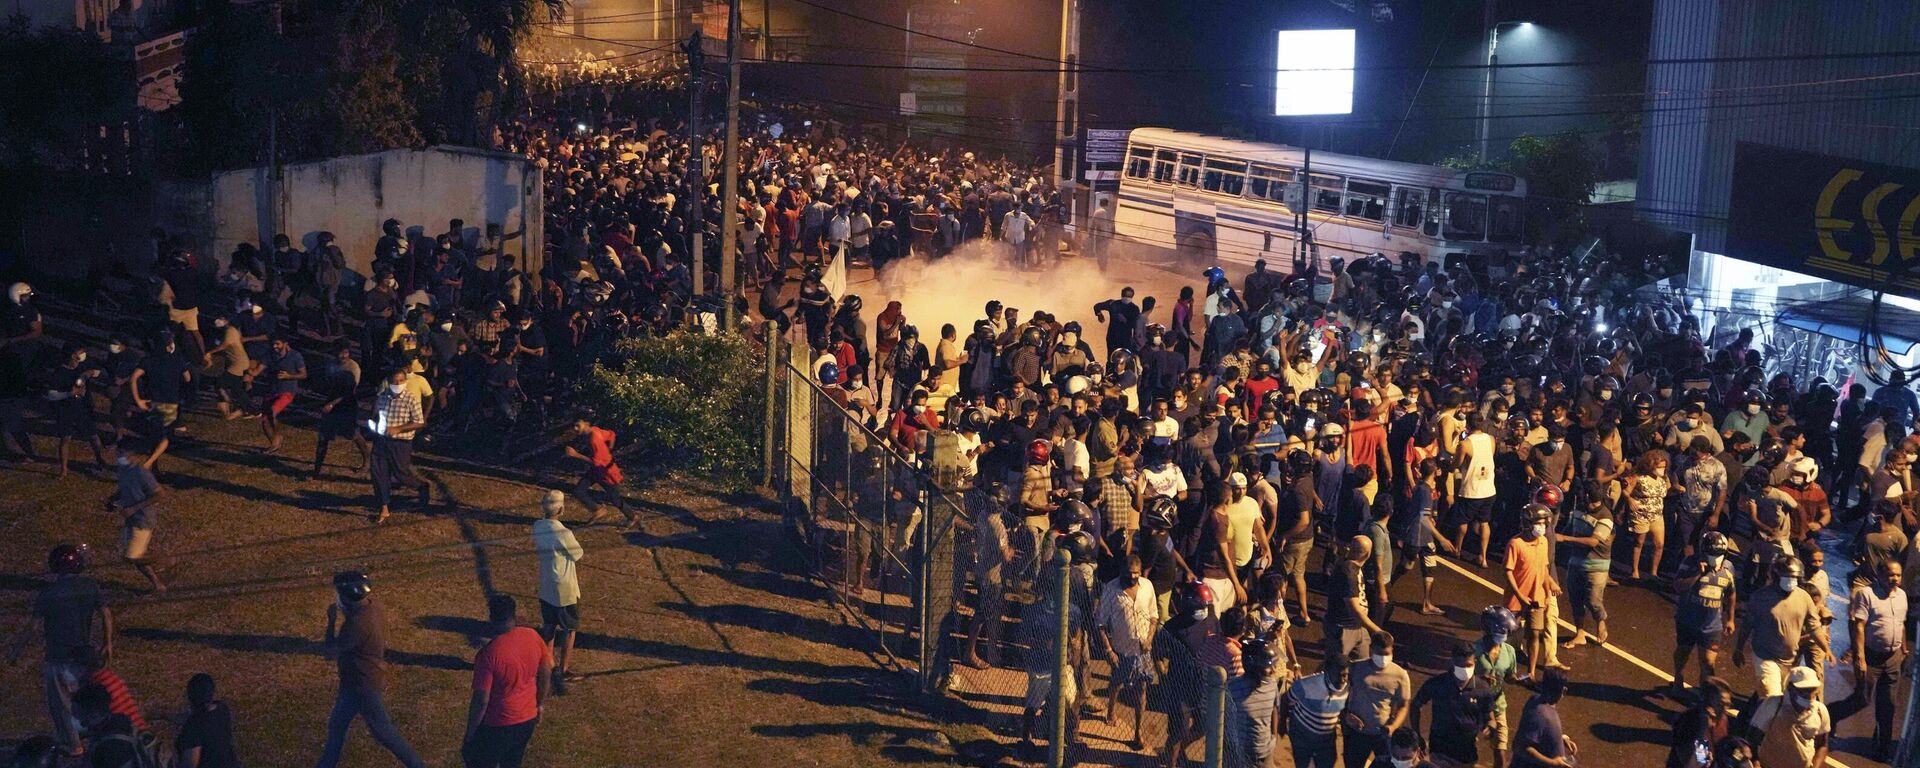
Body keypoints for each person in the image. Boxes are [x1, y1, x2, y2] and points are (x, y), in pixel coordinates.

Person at [7, 545, 112, 758]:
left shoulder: (49, 593)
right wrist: (108, 642)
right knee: (85, 699)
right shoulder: (90, 585)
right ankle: (91, 737)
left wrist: (16, 651)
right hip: (84, 656)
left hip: (58, 657)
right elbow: (106, 614)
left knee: (62, 704)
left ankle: (74, 746)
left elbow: (33, 627)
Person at [316, 571, 425, 768]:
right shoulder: (374, 608)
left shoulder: (356, 625)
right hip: (357, 681)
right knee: (337, 726)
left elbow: (330, 652)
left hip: (361, 684)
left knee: (384, 733)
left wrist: (331, 620)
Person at [463, 594, 552, 768]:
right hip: (527, 719)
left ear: (491, 618)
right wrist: (539, 704)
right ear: (514, 615)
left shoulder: (488, 655)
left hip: (498, 723)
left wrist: (471, 732)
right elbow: (546, 672)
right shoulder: (532, 636)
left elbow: (481, 700)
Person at [1833, 560, 1907, 757]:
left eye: (1898, 575)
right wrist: (1859, 657)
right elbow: (1858, 626)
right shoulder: (1867, 594)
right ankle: (1831, 715)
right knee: (1862, 699)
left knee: (1888, 704)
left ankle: (1882, 748)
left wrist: (1904, 650)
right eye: (1891, 575)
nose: (1896, 579)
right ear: (1880, 575)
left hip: (1893, 658)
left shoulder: (1902, 596)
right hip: (1871, 657)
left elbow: (1901, 624)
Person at [1732, 556, 1822, 699]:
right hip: (1765, 656)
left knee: (1775, 695)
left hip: (1787, 659)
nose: (1790, 581)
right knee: (1772, 697)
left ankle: (1747, 717)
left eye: (1793, 577)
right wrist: (1738, 648)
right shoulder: (1761, 597)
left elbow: (1814, 626)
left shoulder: (1804, 597)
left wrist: (1826, 649)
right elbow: (1747, 625)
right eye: (1786, 577)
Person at [1092, 553, 1156, 749]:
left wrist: (1150, 638)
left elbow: (1154, 617)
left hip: (1142, 651)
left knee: (1142, 689)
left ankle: (1138, 732)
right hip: (1121, 651)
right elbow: (1100, 624)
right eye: (1129, 574)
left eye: (1136, 574)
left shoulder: (1148, 587)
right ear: (1122, 572)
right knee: (1117, 683)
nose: (1133, 578)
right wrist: (1109, 650)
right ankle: (1111, 708)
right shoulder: (1111, 590)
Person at [532, 490, 585, 696]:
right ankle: (563, 669)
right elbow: (577, 554)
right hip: (565, 587)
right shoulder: (563, 533)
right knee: (569, 629)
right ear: (561, 509)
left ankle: (548, 663)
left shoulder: (538, 526)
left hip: (546, 583)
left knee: (549, 625)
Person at [1410, 642, 1497, 768]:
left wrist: (1490, 727)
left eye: (1468, 665)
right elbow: (1415, 705)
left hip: (1467, 753)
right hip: (1440, 751)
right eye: (1460, 666)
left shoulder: (1482, 688)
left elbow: (1490, 718)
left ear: (1475, 662)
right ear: (1453, 662)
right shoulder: (1438, 684)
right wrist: (1416, 735)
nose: (1465, 670)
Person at [1504, 504, 1561, 680]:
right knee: (1511, 639)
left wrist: (1550, 584)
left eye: (1544, 523)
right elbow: (1508, 572)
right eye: (1539, 523)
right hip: (1516, 600)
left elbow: (1544, 568)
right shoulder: (1515, 543)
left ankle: (1531, 673)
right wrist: (1520, 596)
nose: (1542, 527)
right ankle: (1508, 670)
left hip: (1537, 598)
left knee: (1535, 634)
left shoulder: (1543, 542)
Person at [368, 369, 431, 524]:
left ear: (405, 382)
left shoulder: (410, 399)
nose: (397, 384)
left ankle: (421, 487)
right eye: (394, 382)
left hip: (401, 443)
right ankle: (384, 507)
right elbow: (377, 414)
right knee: (379, 473)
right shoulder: (383, 397)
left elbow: (419, 421)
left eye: (400, 381)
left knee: (401, 473)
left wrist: (398, 429)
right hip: (382, 441)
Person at [105, 439, 168, 594]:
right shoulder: (122, 470)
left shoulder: (141, 473)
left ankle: (165, 560)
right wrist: (113, 500)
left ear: (134, 455)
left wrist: (134, 508)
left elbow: (160, 494)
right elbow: (125, 489)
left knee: (131, 557)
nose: (118, 456)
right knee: (133, 556)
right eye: (118, 452)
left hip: (142, 519)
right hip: (131, 519)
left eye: (122, 453)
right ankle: (158, 585)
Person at [1345, 632, 1413, 767]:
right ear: (1370, 650)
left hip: (1383, 735)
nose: (1383, 658)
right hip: (1357, 733)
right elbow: (1339, 693)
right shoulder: (1356, 668)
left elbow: (1404, 705)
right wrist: (1346, 714)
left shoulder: (1400, 675)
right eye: (1379, 654)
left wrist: (1393, 727)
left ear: (1392, 650)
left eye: (1386, 654)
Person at [1560, 484, 1614, 649]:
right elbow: (1568, 528)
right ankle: (1580, 633)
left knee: (1593, 600)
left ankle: (1600, 621)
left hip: (1597, 565)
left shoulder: (1606, 517)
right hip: (1575, 562)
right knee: (1575, 599)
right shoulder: (1577, 510)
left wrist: (1564, 539)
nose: (1592, 506)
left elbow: (1593, 541)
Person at [1745, 666, 1830, 768]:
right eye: (1804, 690)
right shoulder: (1773, 705)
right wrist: (1756, 763)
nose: (1809, 694)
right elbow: (1752, 737)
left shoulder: (1820, 711)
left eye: (1812, 689)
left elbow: (1822, 745)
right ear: (1790, 688)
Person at [564, 418, 637, 528]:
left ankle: (632, 516)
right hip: (596, 471)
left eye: (578, 425)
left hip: (605, 473)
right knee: (579, 491)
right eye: (574, 426)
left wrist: (576, 455)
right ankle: (598, 510)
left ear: (586, 423)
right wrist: (609, 448)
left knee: (614, 498)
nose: (575, 428)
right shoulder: (594, 430)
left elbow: (595, 462)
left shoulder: (594, 439)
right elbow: (611, 434)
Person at [1284, 653, 1351, 768]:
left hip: (1326, 740)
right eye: (1338, 675)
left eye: (1345, 675)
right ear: (1327, 672)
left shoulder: (1348, 689)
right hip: (1302, 738)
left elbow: (1343, 710)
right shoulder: (1306, 685)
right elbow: (1286, 700)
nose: (1342, 680)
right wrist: (1282, 724)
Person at [1510, 667, 1575, 767]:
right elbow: (1521, 747)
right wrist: (1552, 763)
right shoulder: (1541, 714)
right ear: (1563, 690)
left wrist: (1559, 738)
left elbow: (1538, 734)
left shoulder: (1537, 700)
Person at [176, 673, 240, 768]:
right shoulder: (222, 709)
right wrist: (162, 715)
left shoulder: (193, 727)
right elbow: (189, 717)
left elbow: (190, 764)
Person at [1668, 677, 1734, 768]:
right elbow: (1685, 759)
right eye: (1720, 704)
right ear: (1707, 701)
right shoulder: (1688, 720)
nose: (1725, 709)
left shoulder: (1723, 719)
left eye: (1728, 705)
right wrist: (1703, 729)